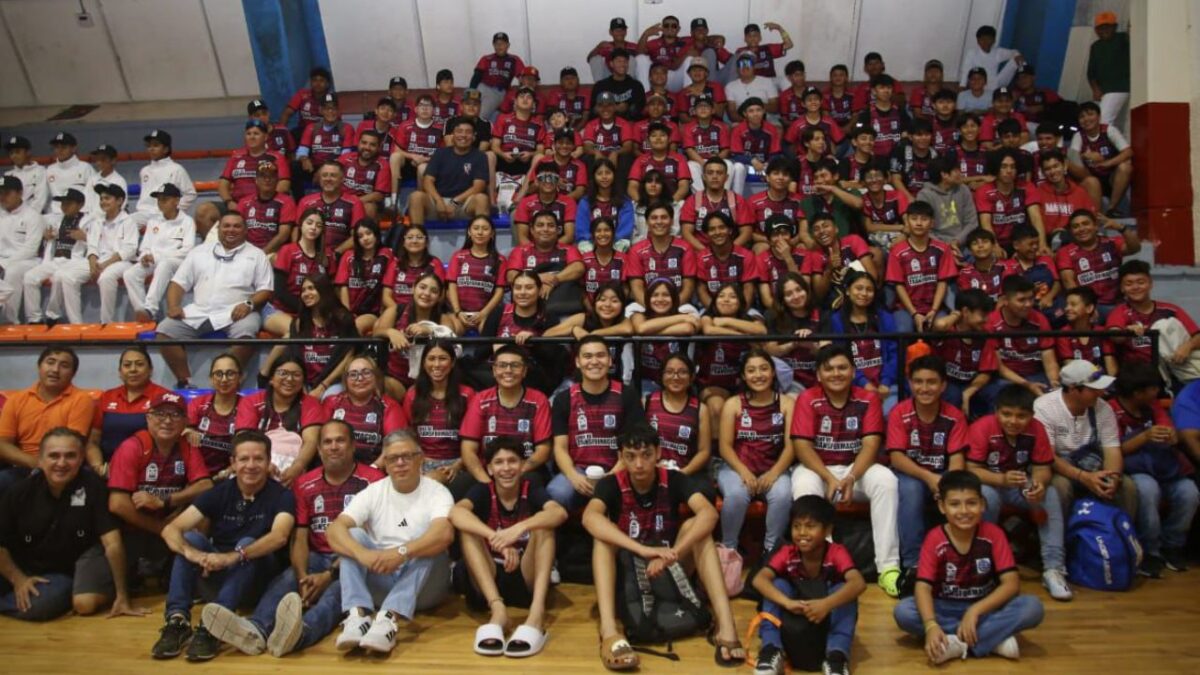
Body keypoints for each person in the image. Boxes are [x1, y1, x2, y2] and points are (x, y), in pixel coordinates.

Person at [201, 421, 384, 659]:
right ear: (318, 449)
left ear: (352, 446)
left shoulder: (375, 481)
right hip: (317, 556)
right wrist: (301, 577)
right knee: (285, 579)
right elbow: (299, 536)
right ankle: (256, 629)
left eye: (340, 441)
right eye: (327, 442)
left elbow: (374, 537)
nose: (334, 447)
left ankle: (300, 634)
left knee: (335, 593)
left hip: (356, 559)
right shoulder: (305, 483)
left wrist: (328, 575)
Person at [583, 425, 746, 670]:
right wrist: (643, 550)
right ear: (621, 457)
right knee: (602, 537)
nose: (639, 464)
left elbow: (709, 514)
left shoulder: (675, 479)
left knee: (697, 526)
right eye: (631, 456)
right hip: (631, 570)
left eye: (646, 455)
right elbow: (589, 518)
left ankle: (726, 625)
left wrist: (675, 553)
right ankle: (609, 632)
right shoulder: (610, 484)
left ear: (658, 453)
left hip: (670, 563)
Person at [150, 430, 295, 661]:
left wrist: (233, 556)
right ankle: (177, 621)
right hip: (218, 574)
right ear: (233, 463)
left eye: (258, 459)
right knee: (192, 539)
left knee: (247, 544)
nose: (251, 465)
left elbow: (279, 536)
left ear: (269, 462)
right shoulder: (219, 493)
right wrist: (194, 554)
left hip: (257, 579)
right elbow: (170, 529)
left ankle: (213, 627)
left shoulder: (282, 495)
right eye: (244, 459)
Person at [893, 470, 1043, 664]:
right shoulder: (934, 538)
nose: (964, 511)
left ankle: (956, 644)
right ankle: (992, 640)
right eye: (955, 504)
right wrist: (930, 626)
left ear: (982, 505)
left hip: (984, 607)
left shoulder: (994, 535)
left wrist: (975, 611)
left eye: (971, 503)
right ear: (942, 506)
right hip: (944, 607)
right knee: (904, 611)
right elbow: (923, 587)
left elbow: (1011, 584)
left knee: (1033, 607)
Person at [326, 430, 454, 654]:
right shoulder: (374, 491)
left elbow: (444, 534)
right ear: (385, 463)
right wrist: (362, 554)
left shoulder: (437, 492)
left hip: (425, 585)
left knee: (430, 543)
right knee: (352, 536)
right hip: (382, 576)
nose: (401, 463)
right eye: (393, 458)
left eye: (407, 456)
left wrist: (402, 552)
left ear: (420, 459)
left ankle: (387, 620)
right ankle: (357, 617)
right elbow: (334, 529)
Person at [791, 344, 902, 597]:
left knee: (886, 481)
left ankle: (888, 568)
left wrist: (851, 477)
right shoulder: (808, 398)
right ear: (818, 375)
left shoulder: (868, 398)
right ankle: (821, 566)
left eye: (842, 367)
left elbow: (871, 444)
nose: (836, 373)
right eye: (828, 369)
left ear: (853, 371)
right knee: (804, 488)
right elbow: (802, 446)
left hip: (857, 468)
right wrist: (829, 477)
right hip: (818, 468)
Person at [0, 428, 142, 621]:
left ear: (82, 458)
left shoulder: (95, 488)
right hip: (21, 568)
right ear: (40, 460)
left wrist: (122, 595)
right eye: (53, 456)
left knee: (40, 606)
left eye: (70, 456)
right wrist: (18, 580)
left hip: (63, 574)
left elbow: (112, 543)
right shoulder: (20, 492)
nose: (61, 463)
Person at [450, 436, 567, 657]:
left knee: (545, 524)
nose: (506, 468)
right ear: (490, 469)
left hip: (525, 576)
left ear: (523, 465)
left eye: (512, 461)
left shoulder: (530, 488)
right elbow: (456, 513)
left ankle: (536, 615)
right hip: (489, 579)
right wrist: (497, 538)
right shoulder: (483, 490)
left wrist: (520, 528)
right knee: (468, 529)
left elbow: (558, 512)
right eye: (499, 462)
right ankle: (498, 611)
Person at [967, 384, 1072, 601]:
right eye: (1006, 414)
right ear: (996, 411)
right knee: (988, 497)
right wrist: (1001, 479)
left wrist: (1039, 484)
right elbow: (971, 470)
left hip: (1019, 485)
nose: (1013, 421)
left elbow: (1043, 468)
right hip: (989, 483)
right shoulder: (982, 427)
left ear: (1031, 415)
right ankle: (982, 564)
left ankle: (1054, 568)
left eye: (1021, 416)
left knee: (1049, 493)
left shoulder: (1037, 429)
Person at [156, 213, 272, 389]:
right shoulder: (199, 252)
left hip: (238, 312)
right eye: (226, 226)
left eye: (236, 226)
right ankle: (185, 381)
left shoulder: (257, 255)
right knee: (164, 331)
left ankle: (229, 381)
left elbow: (266, 290)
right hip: (199, 311)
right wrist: (173, 306)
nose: (230, 230)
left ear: (245, 230)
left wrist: (248, 305)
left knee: (247, 334)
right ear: (218, 229)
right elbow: (177, 283)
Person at [751, 495, 865, 675]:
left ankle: (836, 657)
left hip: (825, 613)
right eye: (797, 526)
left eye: (810, 526)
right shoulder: (788, 552)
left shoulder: (836, 552)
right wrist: (786, 602)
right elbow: (759, 579)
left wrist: (827, 604)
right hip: (796, 612)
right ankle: (771, 650)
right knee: (777, 585)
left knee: (845, 589)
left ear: (827, 530)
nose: (802, 532)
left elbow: (858, 583)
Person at [107, 392, 212, 580]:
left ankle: (195, 578)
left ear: (185, 421)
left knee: (203, 511)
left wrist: (165, 501)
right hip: (135, 528)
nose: (167, 421)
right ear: (148, 418)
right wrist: (161, 528)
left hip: (171, 522)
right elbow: (117, 504)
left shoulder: (186, 446)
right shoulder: (132, 447)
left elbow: (205, 485)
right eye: (160, 414)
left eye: (175, 415)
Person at [1110, 364, 1199, 577]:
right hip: (1133, 469)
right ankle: (1150, 550)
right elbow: (1114, 450)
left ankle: (1172, 545)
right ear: (1137, 393)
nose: (1156, 392)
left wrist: (1171, 436)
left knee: (1190, 492)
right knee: (1148, 490)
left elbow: (1173, 434)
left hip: (1164, 465)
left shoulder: (1154, 406)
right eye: (1152, 389)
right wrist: (1144, 437)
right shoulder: (1111, 409)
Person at [888, 356, 969, 592]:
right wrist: (929, 478)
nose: (924, 388)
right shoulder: (899, 412)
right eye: (918, 382)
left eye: (931, 382)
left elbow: (957, 459)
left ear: (943, 385)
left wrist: (948, 485)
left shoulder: (954, 416)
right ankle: (913, 564)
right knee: (910, 489)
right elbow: (897, 458)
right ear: (910, 384)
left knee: (964, 494)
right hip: (911, 474)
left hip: (944, 475)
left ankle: (960, 559)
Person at [548, 336, 645, 510]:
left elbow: (634, 444)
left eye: (600, 355)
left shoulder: (626, 394)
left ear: (609, 360)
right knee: (556, 493)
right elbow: (559, 447)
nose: (594, 361)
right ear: (578, 362)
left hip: (618, 469)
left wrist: (611, 476)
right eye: (587, 356)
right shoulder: (564, 398)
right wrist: (572, 475)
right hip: (578, 469)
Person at [1035, 360, 1138, 522]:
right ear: (1073, 389)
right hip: (1060, 468)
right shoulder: (1044, 407)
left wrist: (1112, 478)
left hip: (1093, 464)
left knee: (1126, 486)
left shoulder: (1103, 407)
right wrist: (1084, 477)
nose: (1101, 392)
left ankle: (1122, 537)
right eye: (1094, 389)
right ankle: (1065, 540)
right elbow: (1048, 456)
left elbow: (1112, 449)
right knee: (1060, 487)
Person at [716, 349, 796, 553]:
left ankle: (771, 551)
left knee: (783, 494)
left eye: (763, 369)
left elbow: (791, 445)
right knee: (735, 495)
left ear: (773, 372)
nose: (758, 375)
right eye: (751, 370)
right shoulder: (733, 403)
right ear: (743, 376)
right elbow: (725, 446)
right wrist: (743, 472)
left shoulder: (787, 403)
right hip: (737, 467)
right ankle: (728, 549)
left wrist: (774, 473)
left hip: (774, 467)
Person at [459, 345, 554, 488]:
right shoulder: (481, 399)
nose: (508, 370)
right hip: (488, 471)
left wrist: (510, 474)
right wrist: (487, 482)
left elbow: (543, 450)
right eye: (502, 365)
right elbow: (468, 449)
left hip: (526, 470)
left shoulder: (538, 400)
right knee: (461, 485)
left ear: (524, 371)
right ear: (494, 370)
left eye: (515, 365)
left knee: (533, 482)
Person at [48, 183, 137, 325]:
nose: (103, 202)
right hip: (97, 260)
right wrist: (92, 264)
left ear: (119, 201)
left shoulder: (129, 221)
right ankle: (76, 324)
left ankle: (106, 322)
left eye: (107, 198)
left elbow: (129, 250)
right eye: (101, 199)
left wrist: (104, 264)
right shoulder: (97, 222)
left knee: (106, 278)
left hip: (120, 262)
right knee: (67, 276)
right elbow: (92, 245)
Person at [257, 274, 356, 399]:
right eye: (303, 290)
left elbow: (348, 356)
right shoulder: (299, 322)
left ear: (323, 290)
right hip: (305, 381)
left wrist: (323, 386)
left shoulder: (342, 319)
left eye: (311, 288)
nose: (306, 293)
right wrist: (302, 385)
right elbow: (295, 356)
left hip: (333, 381)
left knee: (330, 397)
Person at [236, 356, 326, 487]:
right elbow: (243, 438)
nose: (289, 379)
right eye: (283, 373)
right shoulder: (251, 401)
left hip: (293, 466)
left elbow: (311, 441)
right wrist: (263, 465)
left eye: (296, 375)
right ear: (271, 379)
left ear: (303, 381)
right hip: (255, 462)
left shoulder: (310, 404)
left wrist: (297, 467)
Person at [400, 340, 474, 489]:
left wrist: (458, 465)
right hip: (422, 461)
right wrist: (417, 459)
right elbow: (408, 433)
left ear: (452, 362)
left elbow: (474, 438)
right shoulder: (412, 394)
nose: (437, 364)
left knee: (430, 483)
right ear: (423, 363)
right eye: (431, 358)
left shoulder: (467, 394)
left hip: (457, 463)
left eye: (443, 358)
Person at [822, 270, 898, 413]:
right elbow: (841, 358)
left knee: (889, 412)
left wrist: (885, 383)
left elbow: (895, 353)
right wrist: (864, 384)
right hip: (852, 384)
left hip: (887, 385)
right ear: (848, 291)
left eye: (869, 290)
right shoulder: (836, 320)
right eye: (859, 288)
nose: (864, 293)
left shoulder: (884, 317)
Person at [85, 347, 170, 473]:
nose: (133, 369)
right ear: (120, 371)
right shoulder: (107, 397)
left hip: (150, 470)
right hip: (108, 469)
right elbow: (93, 442)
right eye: (127, 365)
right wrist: (99, 467)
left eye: (139, 364)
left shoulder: (164, 397)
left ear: (150, 370)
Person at [1105, 260, 1200, 371]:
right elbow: (1115, 336)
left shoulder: (1171, 310)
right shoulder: (1119, 312)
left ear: (1150, 284)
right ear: (1122, 288)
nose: (1135, 287)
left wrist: (1187, 347)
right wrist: (1126, 330)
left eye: (1141, 282)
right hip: (1138, 373)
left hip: (1174, 369)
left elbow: (1197, 335)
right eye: (1129, 284)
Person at [981, 275, 1060, 406]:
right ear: (1005, 300)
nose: (1028, 304)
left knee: (1054, 398)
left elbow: (1050, 361)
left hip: (1035, 374)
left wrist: (1054, 383)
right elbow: (1000, 368)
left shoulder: (1039, 320)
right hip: (1006, 378)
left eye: (1030, 298)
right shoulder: (991, 323)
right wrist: (1027, 385)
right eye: (1021, 300)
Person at [124, 183, 197, 323]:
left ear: (176, 201)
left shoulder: (187, 221)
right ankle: (143, 312)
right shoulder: (153, 221)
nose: (160, 203)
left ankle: (151, 309)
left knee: (165, 264)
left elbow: (187, 250)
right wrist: (144, 256)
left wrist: (157, 257)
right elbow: (145, 246)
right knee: (130, 274)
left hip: (177, 262)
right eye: (158, 199)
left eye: (164, 199)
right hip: (154, 260)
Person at [22, 188, 89, 324]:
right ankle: (34, 318)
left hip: (76, 261)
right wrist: (44, 235)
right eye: (62, 203)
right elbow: (33, 218)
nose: (64, 206)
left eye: (69, 203)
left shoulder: (89, 220)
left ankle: (53, 314)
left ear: (80, 204)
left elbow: (102, 242)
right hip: (54, 260)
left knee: (59, 276)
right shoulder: (55, 219)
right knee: (29, 277)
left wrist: (86, 237)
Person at [887, 201, 955, 334]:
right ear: (907, 221)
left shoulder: (942, 249)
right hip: (906, 309)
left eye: (924, 219)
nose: (919, 223)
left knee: (945, 328)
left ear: (932, 223)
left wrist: (933, 310)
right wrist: (915, 314)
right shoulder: (897, 251)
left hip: (935, 307)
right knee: (903, 330)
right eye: (914, 219)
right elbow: (898, 285)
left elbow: (943, 282)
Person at [322, 356, 403, 466]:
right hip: (336, 468)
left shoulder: (389, 406)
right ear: (345, 380)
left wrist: (374, 468)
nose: (360, 378)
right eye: (353, 374)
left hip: (374, 471)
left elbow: (395, 445)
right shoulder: (332, 402)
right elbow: (321, 441)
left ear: (376, 377)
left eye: (366, 373)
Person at [407, 118, 490, 226]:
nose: (463, 135)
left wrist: (455, 202)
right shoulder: (440, 153)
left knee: (482, 199)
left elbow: (479, 186)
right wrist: (439, 201)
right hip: (438, 201)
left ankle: (481, 240)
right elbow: (428, 181)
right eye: (459, 131)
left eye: (468, 132)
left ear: (474, 137)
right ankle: (417, 236)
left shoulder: (480, 156)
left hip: (463, 203)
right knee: (416, 196)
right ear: (452, 135)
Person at [933, 289, 999, 415]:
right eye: (982, 315)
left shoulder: (984, 335)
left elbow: (986, 373)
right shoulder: (948, 331)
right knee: (953, 394)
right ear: (966, 312)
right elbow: (940, 325)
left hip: (972, 383)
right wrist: (957, 314)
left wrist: (968, 392)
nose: (986, 320)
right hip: (948, 381)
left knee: (996, 391)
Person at [265, 208, 328, 337]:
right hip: (284, 309)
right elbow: (279, 291)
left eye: (318, 225)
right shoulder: (288, 250)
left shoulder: (326, 256)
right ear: (301, 225)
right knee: (299, 330)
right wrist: (307, 310)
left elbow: (329, 290)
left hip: (314, 310)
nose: (313, 228)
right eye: (309, 223)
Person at [644, 352, 710, 474]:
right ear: (662, 376)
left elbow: (704, 451)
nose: (675, 377)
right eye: (669, 372)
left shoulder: (700, 409)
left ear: (691, 377)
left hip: (686, 473)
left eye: (682, 372)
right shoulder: (646, 403)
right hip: (651, 472)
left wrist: (683, 473)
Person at [974, 147, 1046, 253]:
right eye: (1004, 167)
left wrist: (1042, 245)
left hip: (1023, 242)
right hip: (997, 242)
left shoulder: (1027, 187)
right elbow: (986, 224)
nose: (1009, 171)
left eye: (1013, 167)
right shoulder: (984, 191)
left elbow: (1036, 218)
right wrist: (995, 247)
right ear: (996, 168)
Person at [624, 202, 697, 305]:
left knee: (690, 320)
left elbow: (688, 288)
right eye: (654, 218)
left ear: (672, 221)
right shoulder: (636, 250)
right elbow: (637, 289)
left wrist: (671, 309)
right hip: (646, 305)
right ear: (647, 223)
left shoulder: (685, 248)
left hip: (679, 305)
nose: (659, 221)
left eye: (664, 217)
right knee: (635, 318)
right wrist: (653, 308)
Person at [1071, 101, 1134, 217]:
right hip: (1091, 179)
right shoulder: (1078, 136)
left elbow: (1128, 152)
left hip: (1111, 179)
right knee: (1089, 181)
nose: (1086, 119)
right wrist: (1085, 155)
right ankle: (1096, 218)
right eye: (1082, 117)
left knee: (1125, 167)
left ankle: (1111, 209)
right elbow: (1072, 160)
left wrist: (1106, 163)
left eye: (1090, 114)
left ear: (1099, 117)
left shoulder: (1109, 130)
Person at [186, 353, 244, 477]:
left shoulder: (247, 406)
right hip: (197, 473)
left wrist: (228, 471)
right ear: (211, 379)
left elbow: (248, 446)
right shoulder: (198, 403)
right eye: (218, 374)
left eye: (230, 373)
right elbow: (184, 430)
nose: (224, 379)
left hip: (233, 473)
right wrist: (188, 432)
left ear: (240, 377)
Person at [679, 158, 754, 252]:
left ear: (726, 177)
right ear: (704, 177)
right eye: (710, 173)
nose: (714, 176)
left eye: (719, 173)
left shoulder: (738, 200)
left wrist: (727, 251)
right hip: (700, 252)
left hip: (731, 252)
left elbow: (746, 232)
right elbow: (686, 233)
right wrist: (706, 253)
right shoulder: (692, 201)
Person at [447, 215, 506, 332]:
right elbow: (451, 287)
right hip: (460, 313)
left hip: (486, 314)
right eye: (476, 228)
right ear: (469, 232)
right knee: (449, 333)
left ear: (492, 234)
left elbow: (499, 291)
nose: (480, 232)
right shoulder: (458, 256)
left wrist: (484, 313)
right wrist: (458, 312)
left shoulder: (500, 260)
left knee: (488, 336)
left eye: (485, 229)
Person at [334, 218, 393, 334]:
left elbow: (387, 288)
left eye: (368, 233)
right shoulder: (348, 256)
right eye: (360, 236)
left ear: (376, 234)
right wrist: (348, 314)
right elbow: (343, 287)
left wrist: (383, 316)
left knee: (357, 325)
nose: (365, 238)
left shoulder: (386, 255)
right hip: (349, 310)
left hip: (373, 312)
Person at [295, 161, 364, 257]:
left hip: (340, 255)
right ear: (319, 179)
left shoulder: (354, 203)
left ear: (342, 179)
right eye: (324, 175)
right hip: (309, 254)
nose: (328, 179)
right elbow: (297, 230)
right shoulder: (306, 202)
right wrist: (301, 251)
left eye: (333, 176)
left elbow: (357, 236)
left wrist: (336, 253)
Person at [133, 130, 198, 228]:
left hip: (165, 214)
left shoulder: (176, 169)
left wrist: (173, 209)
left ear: (166, 149)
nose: (151, 149)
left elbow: (190, 194)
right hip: (143, 214)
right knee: (123, 225)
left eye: (155, 145)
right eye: (149, 146)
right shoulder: (144, 171)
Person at [696, 211, 761, 307]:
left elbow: (748, 289)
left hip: (742, 309)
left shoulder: (746, 256)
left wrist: (739, 312)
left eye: (722, 228)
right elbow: (701, 290)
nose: (717, 232)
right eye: (712, 229)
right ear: (706, 234)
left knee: (757, 322)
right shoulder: (701, 258)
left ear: (730, 230)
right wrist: (715, 312)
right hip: (712, 309)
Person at [378, 222, 442, 320]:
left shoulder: (435, 263)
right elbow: (386, 295)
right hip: (397, 312)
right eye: (410, 237)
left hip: (425, 313)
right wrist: (399, 312)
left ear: (426, 242)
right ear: (403, 242)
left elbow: (440, 295)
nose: (414, 241)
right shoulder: (395, 264)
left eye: (419, 237)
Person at [916, 156, 979, 247]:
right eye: (956, 170)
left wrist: (956, 242)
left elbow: (972, 223)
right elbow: (925, 229)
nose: (960, 173)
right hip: (935, 246)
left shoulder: (963, 189)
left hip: (962, 243)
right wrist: (944, 247)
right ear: (944, 174)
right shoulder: (925, 195)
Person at [576, 162, 635, 253]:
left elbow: (625, 229)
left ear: (614, 175)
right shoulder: (585, 201)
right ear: (594, 177)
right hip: (591, 244)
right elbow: (582, 229)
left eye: (608, 173)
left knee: (624, 244)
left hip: (617, 243)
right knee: (584, 246)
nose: (604, 177)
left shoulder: (625, 201)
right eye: (599, 173)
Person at [512, 166, 578, 245]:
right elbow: (522, 237)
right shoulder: (525, 202)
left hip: (560, 248)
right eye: (543, 177)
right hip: (531, 250)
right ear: (536, 181)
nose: (548, 181)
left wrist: (550, 250)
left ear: (558, 182)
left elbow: (569, 236)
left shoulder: (568, 202)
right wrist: (536, 251)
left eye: (553, 178)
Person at [1086, 11, 1130, 127]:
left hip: (1121, 87)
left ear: (1115, 27)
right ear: (1096, 30)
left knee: (1102, 121)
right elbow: (1091, 72)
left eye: (1108, 27)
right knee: (1116, 124)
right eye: (1101, 28)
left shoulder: (1123, 38)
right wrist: (1095, 89)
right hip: (1104, 91)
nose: (1104, 30)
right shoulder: (1095, 46)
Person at [471, 32, 525, 120]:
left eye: (502, 43)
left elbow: (524, 78)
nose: (499, 46)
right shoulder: (487, 58)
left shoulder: (514, 60)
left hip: (497, 91)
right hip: (481, 87)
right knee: (467, 106)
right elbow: (476, 76)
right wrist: (471, 91)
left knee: (480, 114)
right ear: (493, 45)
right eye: (497, 43)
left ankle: (475, 127)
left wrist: (521, 93)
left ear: (508, 45)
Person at [338, 129, 390, 218]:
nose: (367, 147)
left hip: (365, 201)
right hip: (341, 199)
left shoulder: (382, 164)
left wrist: (352, 202)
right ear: (358, 143)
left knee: (369, 207)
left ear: (379, 147)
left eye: (372, 145)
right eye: (364, 143)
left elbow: (378, 195)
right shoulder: (346, 158)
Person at [959, 25, 1023, 93]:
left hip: (996, 83)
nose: (985, 42)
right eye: (982, 39)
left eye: (988, 39)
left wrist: (1021, 63)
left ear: (994, 40)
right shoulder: (972, 53)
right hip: (980, 83)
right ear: (978, 41)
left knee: (1016, 58)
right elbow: (966, 70)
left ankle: (1023, 80)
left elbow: (1015, 52)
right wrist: (962, 86)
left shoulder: (997, 52)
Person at [45, 132, 96, 213]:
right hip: (54, 215)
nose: (60, 150)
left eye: (64, 147)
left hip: (80, 215)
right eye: (57, 147)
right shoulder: (49, 170)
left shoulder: (85, 168)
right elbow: (46, 197)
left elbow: (93, 195)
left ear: (73, 148)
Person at [590, 49, 646, 121]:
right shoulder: (600, 86)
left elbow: (639, 109)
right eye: (619, 61)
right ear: (611, 64)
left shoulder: (636, 85)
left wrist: (627, 108)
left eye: (625, 61)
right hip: (605, 124)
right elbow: (593, 111)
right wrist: (614, 108)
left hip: (630, 125)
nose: (622, 64)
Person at [279, 66, 332, 135]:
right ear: (311, 82)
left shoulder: (331, 98)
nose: (318, 83)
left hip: (323, 132)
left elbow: (336, 121)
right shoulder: (302, 95)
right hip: (303, 130)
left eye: (321, 80)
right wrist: (281, 133)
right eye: (314, 80)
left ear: (327, 84)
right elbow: (286, 114)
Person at [724, 55, 779, 123]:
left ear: (754, 67)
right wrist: (747, 121)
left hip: (766, 117)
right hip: (741, 119)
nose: (745, 68)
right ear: (737, 69)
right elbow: (732, 112)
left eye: (748, 66)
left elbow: (774, 107)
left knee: (778, 129)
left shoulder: (767, 82)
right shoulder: (730, 86)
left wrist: (756, 104)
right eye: (741, 66)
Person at [3, 135, 48, 214]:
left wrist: (26, 217)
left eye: (17, 152)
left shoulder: (40, 171)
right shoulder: (7, 175)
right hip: (10, 218)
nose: (14, 156)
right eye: (11, 153)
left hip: (32, 217)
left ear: (28, 152)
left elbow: (40, 200)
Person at [956, 229, 1004, 301]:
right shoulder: (964, 274)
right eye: (975, 243)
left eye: (985, 242)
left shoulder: (1004, 268)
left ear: (993, 246)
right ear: (970, 250)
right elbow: (969, 301)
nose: (980, 246)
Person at [81, 144, 128, 218]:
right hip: (89, 218)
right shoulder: (92, 178)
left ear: (113, 161)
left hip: (108, 219)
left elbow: (121, 205)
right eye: (97, 159)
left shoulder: (119, 181)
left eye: (103, 159)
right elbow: (85, 201)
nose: (99, 162)